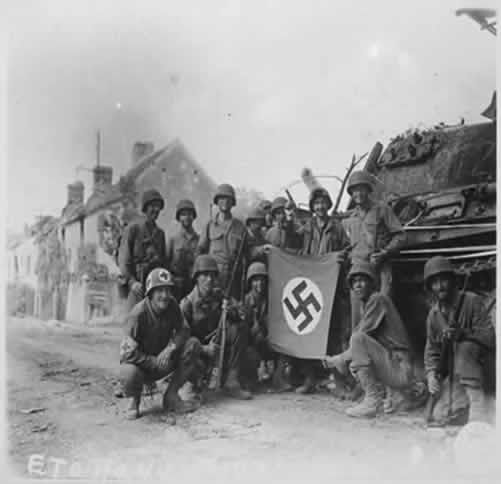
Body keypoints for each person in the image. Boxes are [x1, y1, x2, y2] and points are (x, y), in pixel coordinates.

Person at [324, 262, 426, 418]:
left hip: (400, 367)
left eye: (362, 280)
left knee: (357, 340)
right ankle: (400, 393)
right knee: (357, 355)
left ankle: (372, 401)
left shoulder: (377, 299)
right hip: (396, 366)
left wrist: (339, 359)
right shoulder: (369, 304)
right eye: (354, 282)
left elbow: (359, 337)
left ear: (371, 283)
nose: (357, 285)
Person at [288, 186, 350, 394]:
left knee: (332, 332)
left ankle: (338, 380)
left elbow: (347, 249)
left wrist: (341, 257)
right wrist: (289, 219)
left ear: (328, 205)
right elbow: (293, 240)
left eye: (323, 203)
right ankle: (310, 377)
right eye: (316, 204)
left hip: (331, 284)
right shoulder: (307, 227)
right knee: (309, 330)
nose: (320, 207)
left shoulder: (337, 227)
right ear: (312, 207)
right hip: (311, 284)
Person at [118, 268, 201, 420]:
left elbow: (184, 330)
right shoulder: (137, 315)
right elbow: (126, 354)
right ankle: (134, 400)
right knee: (128, 372)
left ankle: (171, 396)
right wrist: (152, 361)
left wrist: (170, 349)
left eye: (168, 290)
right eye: (160, 291)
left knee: (193, 345)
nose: (165, 295)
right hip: (143, 367)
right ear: (150, 293)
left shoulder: (172, 305)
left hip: (164, 361)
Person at [423, 256, 495, 424]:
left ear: (452, 280)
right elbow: (431, 352)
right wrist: (431, 375)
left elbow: (490, 338)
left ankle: (478, 410)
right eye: (435, 282)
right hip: (455, 375)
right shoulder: (433, 316)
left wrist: (464, 334)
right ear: (430, 287)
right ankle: (475, 406)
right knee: (440, 415)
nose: (440, 286)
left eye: (443, 280)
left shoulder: (472, 301)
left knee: (465, 346)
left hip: (482, 371)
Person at [180, 254, 252, 400]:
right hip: (198, 352)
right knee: (192, 359)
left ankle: (231, 381)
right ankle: (189, 384)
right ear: (196, 277)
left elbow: (241, 313)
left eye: (212, 275)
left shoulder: (219, 295)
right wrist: (204, 349)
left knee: (240, 329)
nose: (209, 279)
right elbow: (181, 339)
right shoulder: (187, 304)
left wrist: (232, 310)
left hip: (219, 348)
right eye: (205, 275)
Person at [341, 170, 406, 329]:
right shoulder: (350, 219)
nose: (358, 194)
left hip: (379, 268)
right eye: (354, 190)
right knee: (358, 319)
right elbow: (349, 246)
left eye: (361, 189)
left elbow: (401, 236)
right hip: (358, 273)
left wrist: (385, 252)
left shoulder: (382, 210)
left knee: (383, 312)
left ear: (368, 190)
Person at [240, 262, 292, 391]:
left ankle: (278, 378)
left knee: (284, 342)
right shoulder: (245, 301)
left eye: (262, 279)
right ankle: (250, 378)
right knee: (250, 355)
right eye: (255, 280)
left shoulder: (270, 300)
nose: (259, 283)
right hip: (251, 344)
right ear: (250, 282)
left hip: (267, 340)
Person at [118, 189, 167, 311]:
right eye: (152, 206)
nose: (156, 210)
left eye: (158, 207)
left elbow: (163, 263)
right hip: (136, 286)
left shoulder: (160, 234)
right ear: (145, 207)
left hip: (154, 287)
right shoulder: (133, 229)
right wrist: (132, 282)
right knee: (134, 318)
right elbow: (123, 260)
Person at [197, 183, 248, 299]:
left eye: (228, 199)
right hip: (213, 276)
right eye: (222, 198)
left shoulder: (240, 227)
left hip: (233, 276)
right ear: (217, 201)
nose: (225, 202)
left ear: (233, 202)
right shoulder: (210, 225)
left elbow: (247, 252)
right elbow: (200, 251)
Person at [166, 199, 200, 302]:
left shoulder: (199, 240)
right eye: (183, 214)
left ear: (193, 217)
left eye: (190, 214)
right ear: (179, 218)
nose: (187, 217)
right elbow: (166, 264)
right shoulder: (173, 240)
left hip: (193, 286)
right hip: (176, 286)